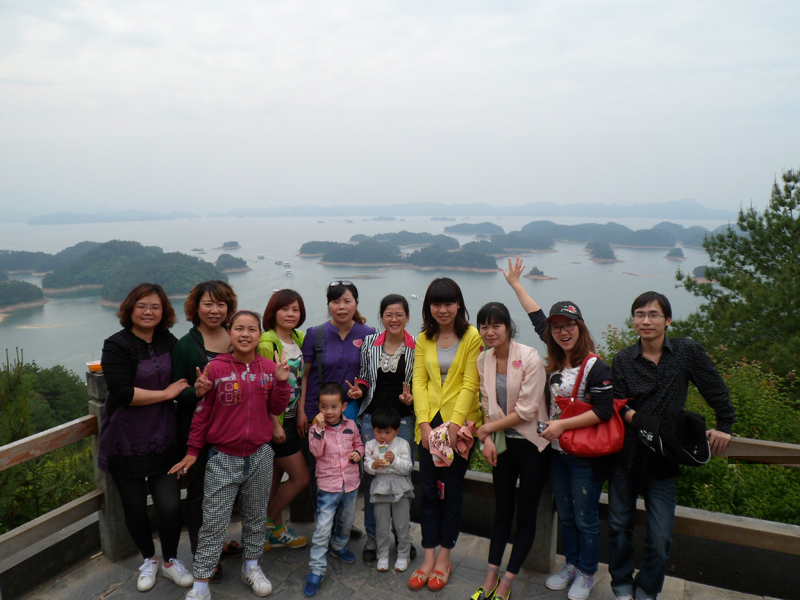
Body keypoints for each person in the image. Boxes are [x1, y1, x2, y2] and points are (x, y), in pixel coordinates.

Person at [608, 292, 736, 600]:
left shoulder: (685, 352)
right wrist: (642, 420)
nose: (646, 321)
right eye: (640, 314)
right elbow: (618, 405)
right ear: (633, 320)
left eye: (653, 314)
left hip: (664, 458)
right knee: (618, 526)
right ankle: (621, 584)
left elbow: (714, 387)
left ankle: (646, 589)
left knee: (661, 535)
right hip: (627, 455)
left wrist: (724, 425)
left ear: (667, 320)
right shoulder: (623, 359)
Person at [504, 257, 614, 600]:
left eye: (569, 325)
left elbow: (604, 410)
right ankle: (572, 564)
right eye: (557, 328)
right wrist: (516, 285)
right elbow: (537, 316)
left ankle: (587, 571)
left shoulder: (595, 366)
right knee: (565, 512)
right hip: (556, 452)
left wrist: (561, 424)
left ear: (580, 327)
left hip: (584, 456)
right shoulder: (555, 358)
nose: (563, 332)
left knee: (585, 516)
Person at [170, 310, 291, 600]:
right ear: (230, 333)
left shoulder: (268, 368)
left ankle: (251, 567)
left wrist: (282, 382)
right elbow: (202, 414)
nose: (245, 334)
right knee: (213, 521)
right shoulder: (215, 368)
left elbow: (276, 408)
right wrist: (193, 451)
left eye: (252, 329)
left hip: (260, 454)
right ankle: (201, 584)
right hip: (223, 456)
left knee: (256, 516)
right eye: (239, 328)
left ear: (260, 335)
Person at [97, 283, 194, 592]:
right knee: (135, 507)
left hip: (164, 435)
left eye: (155, 306)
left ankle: (170, 561)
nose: (148, 312)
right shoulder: (116, 345)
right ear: (130, 309)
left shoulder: (168, 341)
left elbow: (186, 377)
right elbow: (121, 392)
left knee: (170, 506)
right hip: (125, 438)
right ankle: (149, 559)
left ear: (164, 311)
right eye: (142, 306)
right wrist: (166, 393)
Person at [409, 277, 483, 592]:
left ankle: (444, 559)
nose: (443, 309)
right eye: (436, 304)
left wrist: (453, 425)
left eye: (448, 303)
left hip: (459, 427)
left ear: (458, 305)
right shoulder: (423, 338)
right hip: (428, 424)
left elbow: (471, 382)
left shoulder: (472, 336)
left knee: (451, 493)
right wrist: (424, 424)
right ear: (429, 307)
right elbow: (419, 381)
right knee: (428, 491)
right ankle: (428, 557)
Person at [474, 302, 550, 600]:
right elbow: (486, 401)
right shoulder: (484, 359)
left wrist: (487, 430)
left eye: (496, 325)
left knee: (526, 515)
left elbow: (527, 411)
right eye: (484, 326)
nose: (490, 332)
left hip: (532, 445)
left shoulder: (529, 356)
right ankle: (490, 576)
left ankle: (507, 581)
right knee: (502, 510)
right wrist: (489, 438)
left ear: (508, 327)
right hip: (503, 445)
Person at [171, 280, 241, 580]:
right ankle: (204, 556)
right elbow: (177, 392)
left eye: (221, 304)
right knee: (199, 495)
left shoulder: (235, 336)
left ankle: (218, 542)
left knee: (226, 492)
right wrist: (196, 391)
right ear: (195, 307)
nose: (215, 310)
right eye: (208, 304)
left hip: (232, 431)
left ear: (229, 308)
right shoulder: (186, 346)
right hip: (198, 434)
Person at [299, 281, 375, 536]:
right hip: (319, 413)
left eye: (347, 301)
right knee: (319, 469)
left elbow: (370, 374)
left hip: (352, 414)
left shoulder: (369, 334)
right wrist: (303, 411)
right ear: (329, 304)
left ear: (356, 303)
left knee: (350, 468)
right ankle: (326, 524)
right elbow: (305, 376)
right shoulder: (315, 334)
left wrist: (361, 389)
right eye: (335, 301)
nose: (341, 307)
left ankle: (343, 523)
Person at [347, 293, 417, 563]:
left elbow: (420, 382)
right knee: (373, 477)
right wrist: (359, 390)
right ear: (382, 317)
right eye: (389, 314)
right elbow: (365, 377)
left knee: (402, 476)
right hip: (371, 421)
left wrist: (413, 399)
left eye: (399, 314)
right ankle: (374, 536)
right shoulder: (370, 343)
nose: (394, 319)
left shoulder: (417, 346)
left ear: (407, 317)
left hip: (404, 421)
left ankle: (402, 536)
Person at [256, 289, 311, 551]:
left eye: (295, 309)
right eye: (285, 308)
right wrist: (275, 425)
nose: (291, 314)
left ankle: (275, 532)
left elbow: (302, 379)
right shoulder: (267, 343)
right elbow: (264, 389)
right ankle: (263, 523)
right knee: (301, 478)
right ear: (273, 311)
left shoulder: (298, 338)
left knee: (275, 478)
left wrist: (301, 412)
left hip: (291, 417)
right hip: (275, 423)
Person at [303, 382, 364, 597]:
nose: (329, 411)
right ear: (318, 407)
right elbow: (316, 451)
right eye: (324, 407)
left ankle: (338, 546)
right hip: (328, 487)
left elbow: (359, 444)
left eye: (334, 407)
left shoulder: (351, 425)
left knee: (347, 521)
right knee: (322, 529)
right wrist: (319, 429)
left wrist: (358, 453)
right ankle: (316, 569)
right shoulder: (315, 430)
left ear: (343, 406)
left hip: (350, 484)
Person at [363, 404, 415, 573]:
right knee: (381, 524)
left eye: (387, 432)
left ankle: (403, 554)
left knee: (401, 524)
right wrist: (373, 466)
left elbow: (407, 467)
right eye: (378, 432)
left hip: (400, 487)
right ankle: (382, 555)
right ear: (373, 429)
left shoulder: (402, 444)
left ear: (397, 431)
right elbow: (367, 466)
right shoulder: (370, 445)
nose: (382, 436)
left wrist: (394, 461)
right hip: (380, 487)